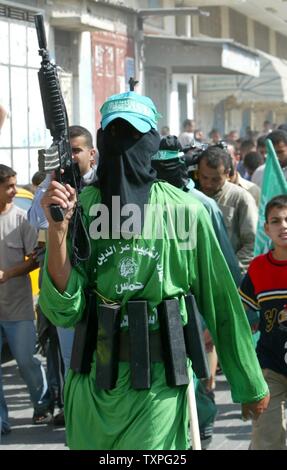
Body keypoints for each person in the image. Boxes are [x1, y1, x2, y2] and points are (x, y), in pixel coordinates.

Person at [39, 91, 269, 450]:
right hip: (92, 387)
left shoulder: (186, 211)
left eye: (134, 136)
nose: (124, 144)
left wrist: (248, 383)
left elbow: (221, 302)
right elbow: (62, 310)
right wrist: (57, 231)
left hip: (158, 389)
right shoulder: (77, 208)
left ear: (151, 142)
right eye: (114, 135)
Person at [0, 164, 52, 434]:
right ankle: (1, 421)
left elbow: (36, 260)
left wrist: (7, 274)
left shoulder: (21, 219)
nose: (13, 191)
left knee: (26, 361)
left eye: (14, 185)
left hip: (18, 307)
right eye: (8, 186)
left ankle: (42, 403)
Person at [239, 194, 287, 450]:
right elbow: (241, 314)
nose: (284, 226)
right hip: (270, 365)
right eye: (276, 221)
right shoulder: (258, 268)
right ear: (266, 228)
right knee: (266, 436)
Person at [197, 145, 258, 274]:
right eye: (204, 177)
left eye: (215, 179)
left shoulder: (241, 198)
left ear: (227, 173)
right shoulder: (191, 195)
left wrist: (229, 270)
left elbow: (252, 242)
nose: (208, 184)